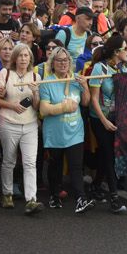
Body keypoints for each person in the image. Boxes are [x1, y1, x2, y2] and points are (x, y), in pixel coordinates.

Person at [38, 45, 92, 211]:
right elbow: (44, 110)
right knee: (55, 167)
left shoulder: (76, 79)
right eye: (59, 60)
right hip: (54, 134)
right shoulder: (47, 82)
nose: (63, 63)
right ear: (52, 63)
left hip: (75, 132)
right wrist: (63, 108)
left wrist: (85, 87)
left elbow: (85, 102)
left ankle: (81, 199)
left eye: (66, 60)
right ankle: (54, 196)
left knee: (76, 167)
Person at [0, 41, 42, 212]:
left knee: (29, 162)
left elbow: (37, 106)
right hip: (8, 122)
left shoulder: (35, 77)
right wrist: (11, 105)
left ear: (30, 58)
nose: (23, 58)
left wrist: (35, 92)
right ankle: (7, 194)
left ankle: (31, 199)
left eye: (26, 55)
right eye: (20, 55)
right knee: (9, 160)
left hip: (30, 124)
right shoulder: (5, 73)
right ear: (14, 58)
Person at [83, 35, 127, 213]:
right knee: (109, 155)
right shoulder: (99, 68)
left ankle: (95, 185)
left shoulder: (126, 67)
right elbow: (94, 98)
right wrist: (103, 121)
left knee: (107, 153)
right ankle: (114, 197)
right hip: (99, 118)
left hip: (117, 117)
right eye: (125, 48)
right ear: (116, 52)